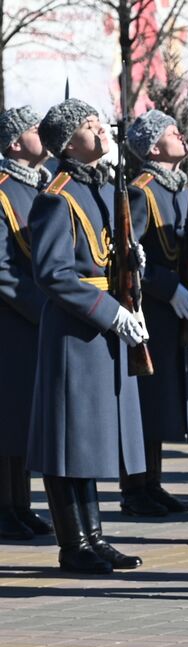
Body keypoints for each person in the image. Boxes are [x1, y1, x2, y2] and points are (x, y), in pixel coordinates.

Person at [28, 99, 148, 574]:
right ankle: (73, 541)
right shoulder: (57, 196)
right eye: (89, 126)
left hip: (104, 323)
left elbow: (106, 251)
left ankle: (94, 536)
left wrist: (132, 263)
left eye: (101, 122)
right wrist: (109, 312)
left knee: (89, 439)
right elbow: (53, 274)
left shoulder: (104, 189)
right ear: (67, 143)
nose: (101, 130)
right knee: (68, 439)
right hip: (76, 329)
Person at [121, 109, 188, 519]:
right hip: (149, 311)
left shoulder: (181, 189)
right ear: (153, 147)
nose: (181, 135)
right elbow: (129, 257)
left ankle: (153, 482)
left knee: (163, 398)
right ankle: (135, 489)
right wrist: (169, 289)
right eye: (172, 131)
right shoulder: (142, 190)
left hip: (174, 313)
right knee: (147, 400)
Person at [0, 107, 53, 541]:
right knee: (8, 417)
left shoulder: (42, 187)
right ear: (16, 143)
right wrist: (43, 310)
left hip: (34, 320)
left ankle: (21, 504)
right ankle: (6, 508)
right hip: (12, 321)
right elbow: (3, 269)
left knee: (24, 420)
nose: (44, 136)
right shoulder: (2, 191)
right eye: (36, 131)